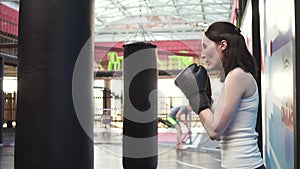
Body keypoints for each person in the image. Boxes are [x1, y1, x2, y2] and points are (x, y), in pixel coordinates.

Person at [174, 22, 265, 169]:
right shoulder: (232, 78)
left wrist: (197, 96)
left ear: (222, 45)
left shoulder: (237, 76)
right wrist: (201, 99)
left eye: (205, 46)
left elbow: (214, 131)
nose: (202, 55)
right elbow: (217, 131)